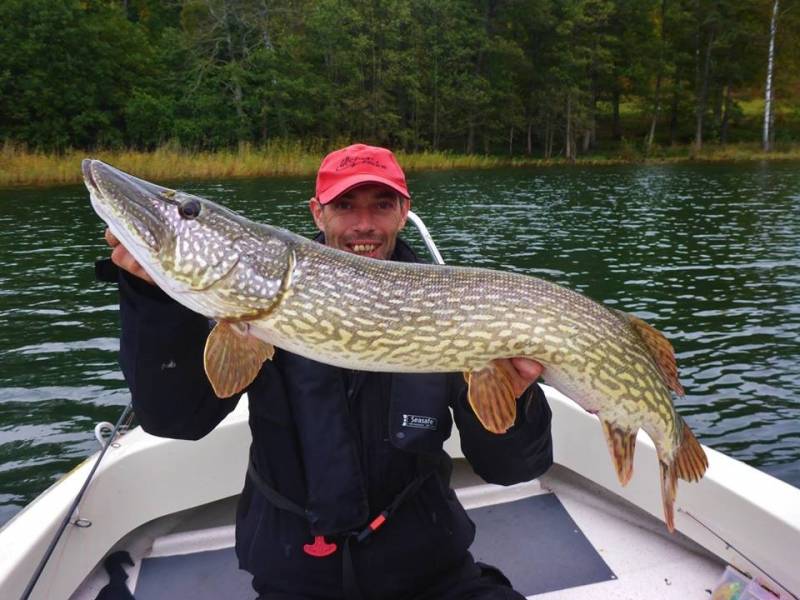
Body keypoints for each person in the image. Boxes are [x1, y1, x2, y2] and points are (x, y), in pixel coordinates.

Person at [99, 143, 553, 600]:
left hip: (432, 573)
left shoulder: (455, 307)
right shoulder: (256, 304)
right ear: (317, 213)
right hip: (295, 579)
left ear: (403, 211)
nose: (363, 224)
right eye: (344, 206)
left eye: (381, 205)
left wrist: (518, 394)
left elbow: (513, 468)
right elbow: (176, 420)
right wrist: (153, 301)